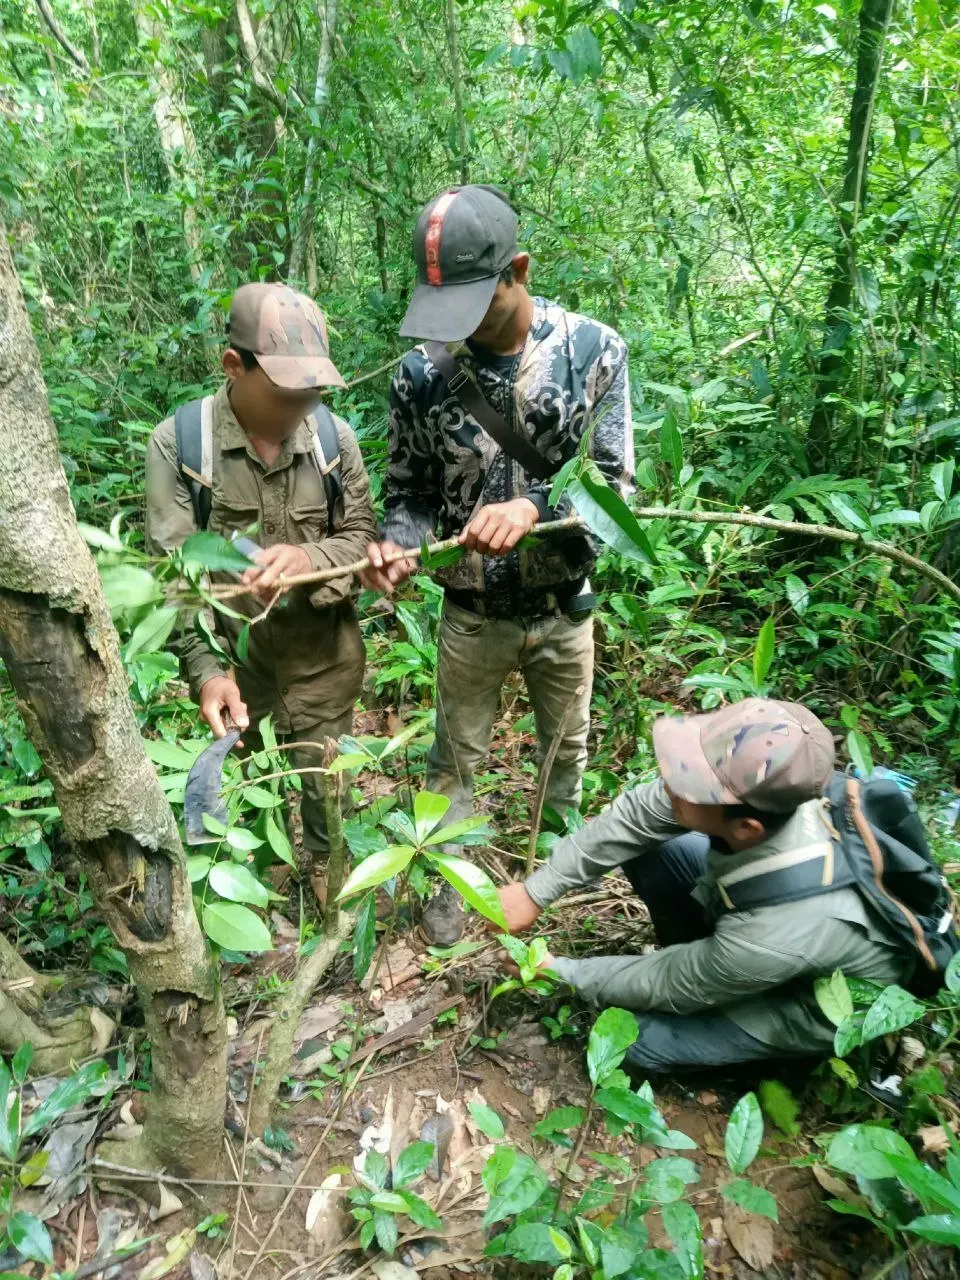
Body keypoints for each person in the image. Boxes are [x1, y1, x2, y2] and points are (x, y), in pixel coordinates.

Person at [361, 184, 634, 945]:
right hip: (471, 617)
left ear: (518, 269)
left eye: (474, 305)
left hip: (563, 606)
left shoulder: (593, 352)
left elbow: (617, 487)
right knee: (454, 761)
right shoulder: (420, 375)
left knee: (565, 750)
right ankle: (454, 884)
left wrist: (536, 510)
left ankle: (555, 875)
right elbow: (409, 489)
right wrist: (397, 542)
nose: (459, 329)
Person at [496, 699, 918, 1073]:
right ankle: (705, 952)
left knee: (631, 1042)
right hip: (755, 921)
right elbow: (637, 814)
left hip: (804, 1000)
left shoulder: (772, 938)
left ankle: (781, 1062)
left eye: (689, 785)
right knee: (648, 848)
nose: (668, 781)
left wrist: (559, 972)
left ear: (747, 828)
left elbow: (669, 981)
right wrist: (536, 891)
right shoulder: (770, 791)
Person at [146, 282, 378, 875]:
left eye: (314, 391)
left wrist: (307, 560)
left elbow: (359, 538)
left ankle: (327, 886)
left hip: (325, 660)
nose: (305, 408)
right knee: (244, 815)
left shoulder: (334, 440)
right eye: (286, 392)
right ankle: (257, 914)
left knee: (328, 798)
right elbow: (175, 579)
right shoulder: (181, 447)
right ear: (234, 366)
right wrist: (206, 674)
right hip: (238, 677)